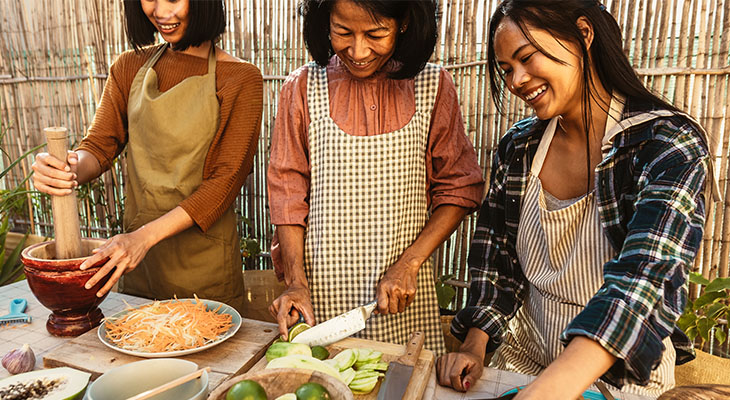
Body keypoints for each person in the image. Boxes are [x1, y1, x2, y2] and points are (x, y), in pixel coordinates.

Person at [436, 0, 717, 398]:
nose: (517, 80)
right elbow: (496, 262)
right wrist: (474, 345)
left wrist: (550, 391)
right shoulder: (519, 148)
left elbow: (644, 280)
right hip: (524, 363)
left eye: (526, 57)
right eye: (506, 69)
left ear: (583, 35)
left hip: (622, 377)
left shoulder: (666, 145)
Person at [267, 0, 484, 355]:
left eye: (375, 34)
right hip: (321, 300)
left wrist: (409, 263)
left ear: (403, 23)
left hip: (403, 300)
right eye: (342, 32)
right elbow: (287, 192)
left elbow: (460, 188)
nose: (358, 50)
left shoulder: (432, 86)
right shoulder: (303, 87)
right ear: (326, 22)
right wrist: (295, 284)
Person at [31, 0, 263, 313]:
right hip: (138, 269)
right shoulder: (128, 67)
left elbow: (224, 183)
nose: (160, 12)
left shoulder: (240, 78)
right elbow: (99, 147)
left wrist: (142, 238)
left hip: (205, 276)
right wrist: (67, 168)